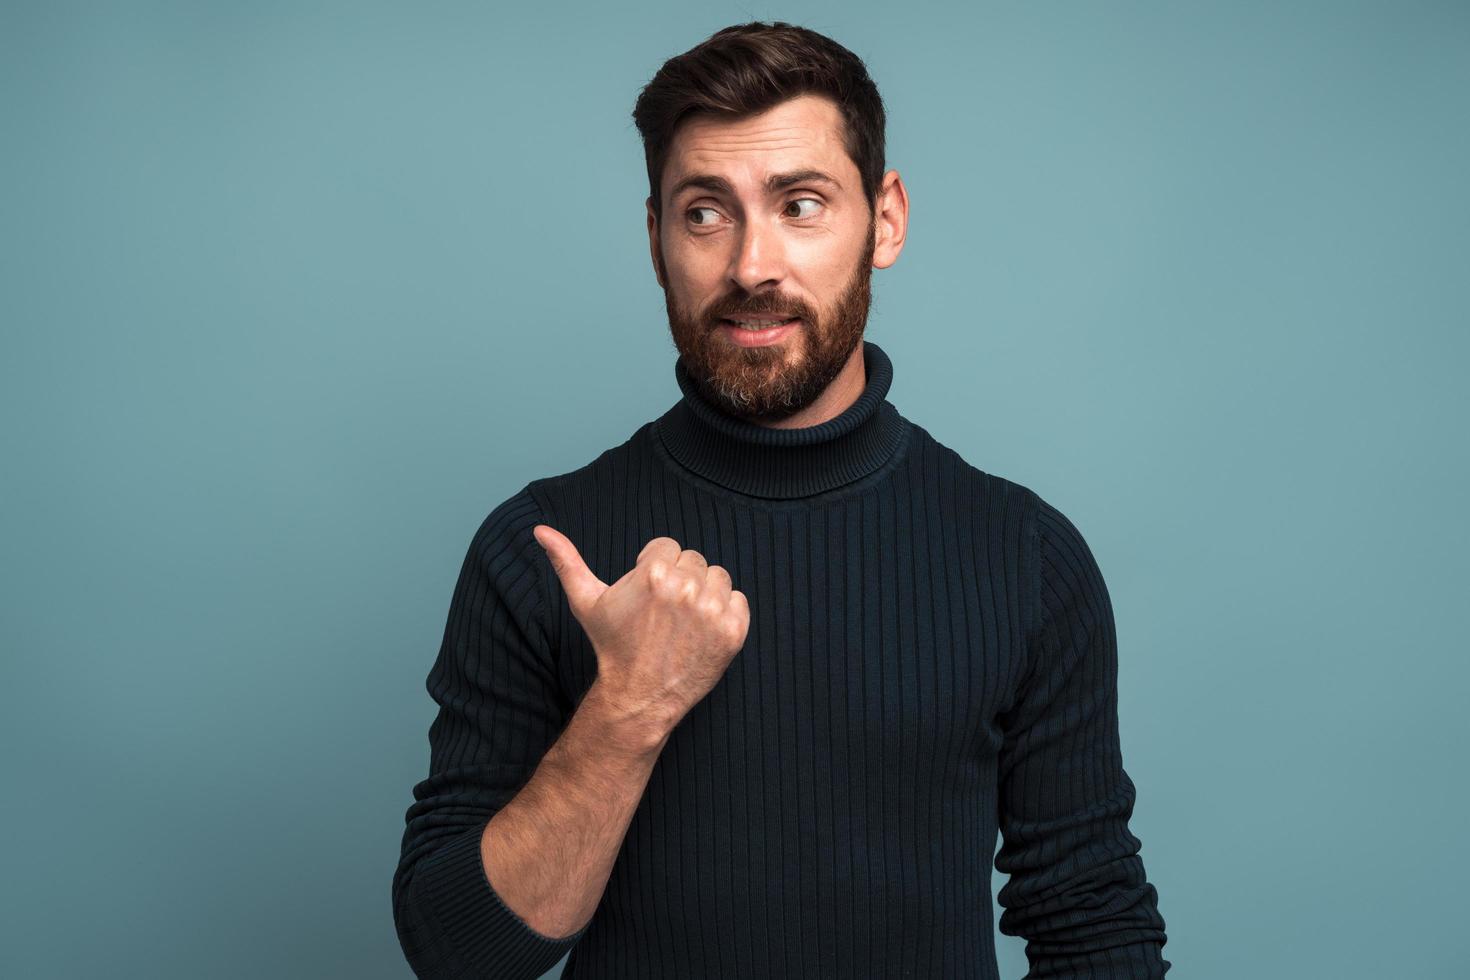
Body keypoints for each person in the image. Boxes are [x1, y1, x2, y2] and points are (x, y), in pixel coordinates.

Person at [392, 21, 1170, 980]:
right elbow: (459, 952)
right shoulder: (542, 550)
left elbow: (1094, 929)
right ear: (654, 237)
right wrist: (630, 707)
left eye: (801, 204)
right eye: (705, 213)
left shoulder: (1026, 559)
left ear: (884, 221)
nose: (752, 264)